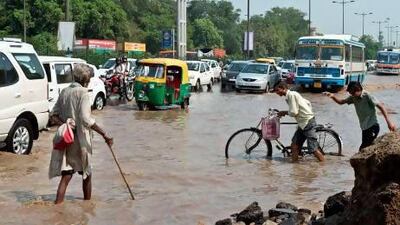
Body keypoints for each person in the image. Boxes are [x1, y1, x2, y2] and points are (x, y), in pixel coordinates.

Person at [49, 64, 113, 204]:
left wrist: (65, 126)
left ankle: (57, 207)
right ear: (85, 79)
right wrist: (104, 133)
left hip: (67, 139)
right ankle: (87, 207)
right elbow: (85, 119)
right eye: (89, 78)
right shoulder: (83, 93)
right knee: (87, 174)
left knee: (66, 176)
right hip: (80, 140)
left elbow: (53, 114)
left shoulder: (65, 91)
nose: (90, 81)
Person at [324, 81, 396, 150]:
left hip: (373, 126)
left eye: (352, 93)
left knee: (363, 149)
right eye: (350, 93)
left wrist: (389, 122)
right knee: (366, 148)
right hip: (364, 128)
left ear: (358, 90)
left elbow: (381, 107)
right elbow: (341, 102)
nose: (351, 95)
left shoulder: (367, 96)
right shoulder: (353, 97)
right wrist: (332, 96)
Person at [274, 81, 325, 162]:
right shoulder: (293, 94)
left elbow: (294, 112)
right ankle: (295, 168)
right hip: (303, 123)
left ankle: (323, 166)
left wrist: (284, 112)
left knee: (313, 149)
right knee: (294, 146)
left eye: (277, 90)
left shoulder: (291, 95)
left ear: (283, 88)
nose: (276, 92)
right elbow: (307, 102)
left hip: (307, 122)